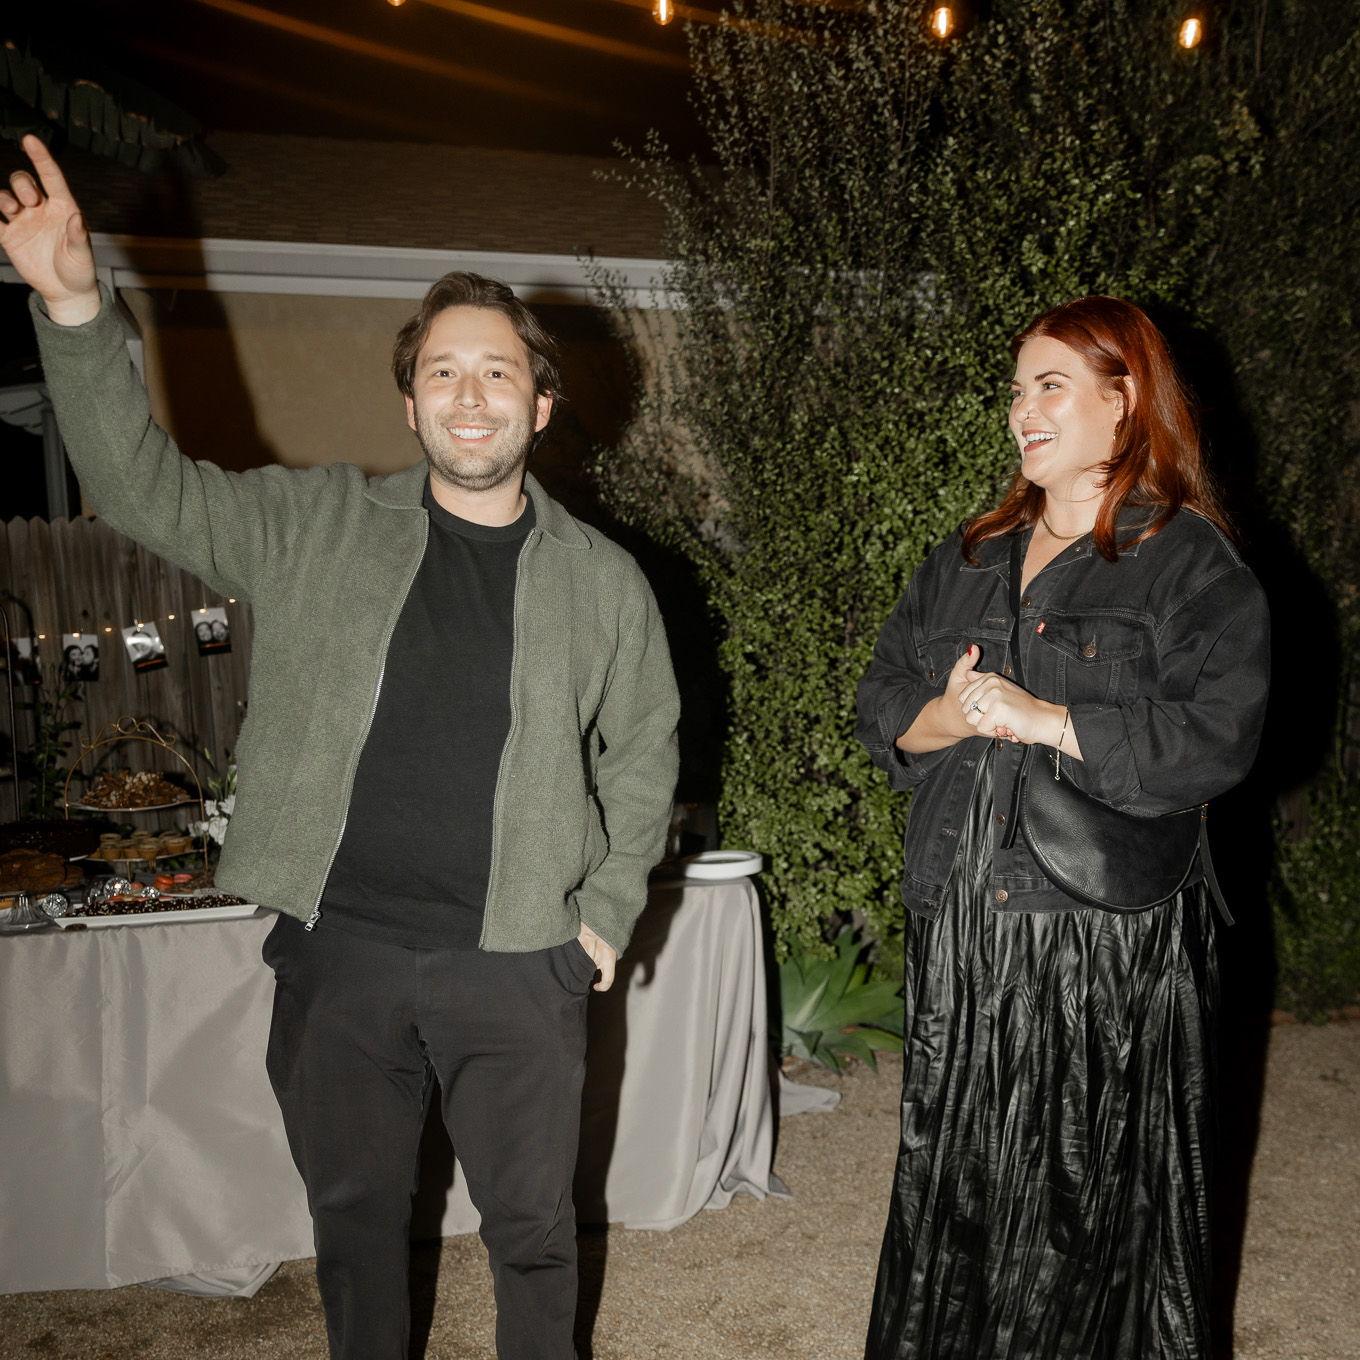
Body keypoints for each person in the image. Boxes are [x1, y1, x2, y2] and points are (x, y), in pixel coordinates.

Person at [1, 136, 679, 1360]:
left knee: (533, 1231)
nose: (468, 395)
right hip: (343, 953)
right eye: (441, 371)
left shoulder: (604, 582)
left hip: (518, 961)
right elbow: (144, 489)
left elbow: (642, 750)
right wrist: (74, 307)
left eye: (497, 372)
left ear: (539, 403)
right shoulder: (314, 525)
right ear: (408, 401)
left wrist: (604, 911)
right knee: (355, 1227)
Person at [856, 295, 1269, 1359]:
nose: (1021, 411)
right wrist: (949, 714)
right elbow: (882, 699)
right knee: (955, 1182)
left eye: (1050, 386)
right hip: (962, 914)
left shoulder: (1189, 562)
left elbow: (1216, 738)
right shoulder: (969, 553)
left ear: (1124, 399)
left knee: (1089, 1203)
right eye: (1016, 390)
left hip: (1102, 935)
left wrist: (1050, 720)